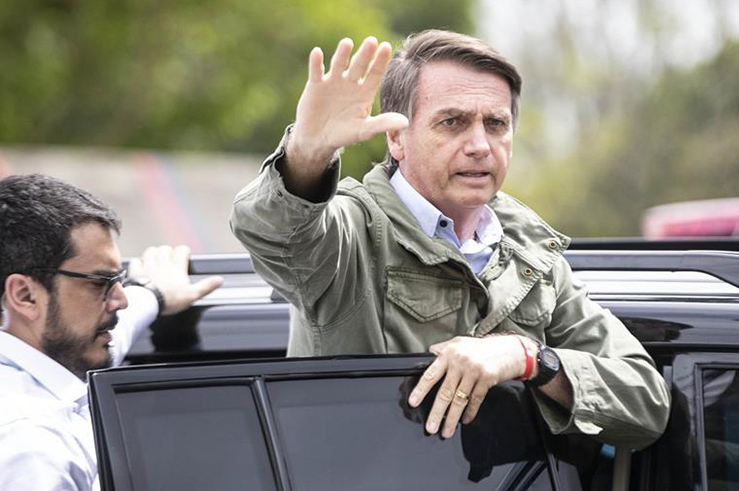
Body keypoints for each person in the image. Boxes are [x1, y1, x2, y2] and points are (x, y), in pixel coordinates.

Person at [231, 30, 670, 446]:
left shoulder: (535, 257)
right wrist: (308, 153)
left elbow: (647, 403)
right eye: (453, 122)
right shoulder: (350, 231)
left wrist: (528, 357)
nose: (480, 144)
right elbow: (268, 232)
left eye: (495, 124)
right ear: (397, 138)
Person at [0, 174, 223, 490]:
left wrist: (155, 295)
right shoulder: (26, 452)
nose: (120, 299)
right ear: (25, 295)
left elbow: (106, 336)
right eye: (100, 283)